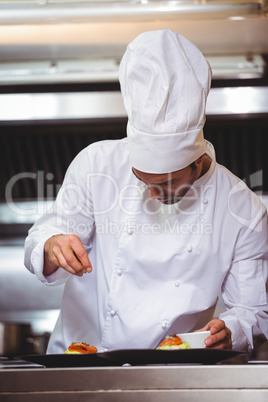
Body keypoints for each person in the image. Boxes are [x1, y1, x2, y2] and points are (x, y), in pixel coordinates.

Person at [24, 29, 268, 354]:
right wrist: (51, 246)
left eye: (166, 183)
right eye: (142, 180)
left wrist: (232, 331)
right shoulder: (96, 164)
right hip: (78, 368)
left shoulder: (244, 210)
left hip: (171, 376)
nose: (153, 195)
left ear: (196, 160)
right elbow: (41, 241)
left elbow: (254, 313)